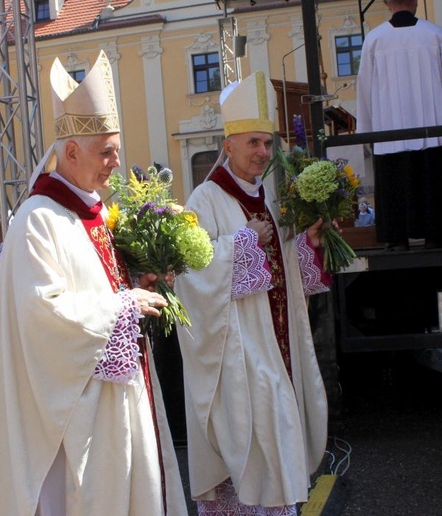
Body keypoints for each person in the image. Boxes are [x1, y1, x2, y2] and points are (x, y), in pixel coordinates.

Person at [0, 50, 188, 515]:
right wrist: (122, 306)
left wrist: (141, 278)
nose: (116, 162)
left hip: (120, 399)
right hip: (76, 417)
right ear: (71, 152)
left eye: (116, 149)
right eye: (107, 152)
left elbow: (101, 282)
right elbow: (42, 317)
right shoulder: (38, 220)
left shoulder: (94, 213)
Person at [175, 71, 329, 514]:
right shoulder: (203, 201)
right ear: (228, 146)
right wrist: (245, 240)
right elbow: (190, 277)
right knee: (257, 443)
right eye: (253, 143)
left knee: (277, 441)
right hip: (237, 357)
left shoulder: (269, 197)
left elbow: (281, 272)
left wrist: (308, 245)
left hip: (277, 348)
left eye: (267, 143)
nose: (263, 153)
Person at [356, 0, 442, 250]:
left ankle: (396, 239)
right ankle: (435, 236)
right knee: (432, 183)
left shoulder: (374, 39)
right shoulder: (435, 34)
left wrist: (367, 132)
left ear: (386, 3)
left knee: (394, 185)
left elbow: (365, 88)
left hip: (389, 131)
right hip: (433, 129)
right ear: (415, 3)